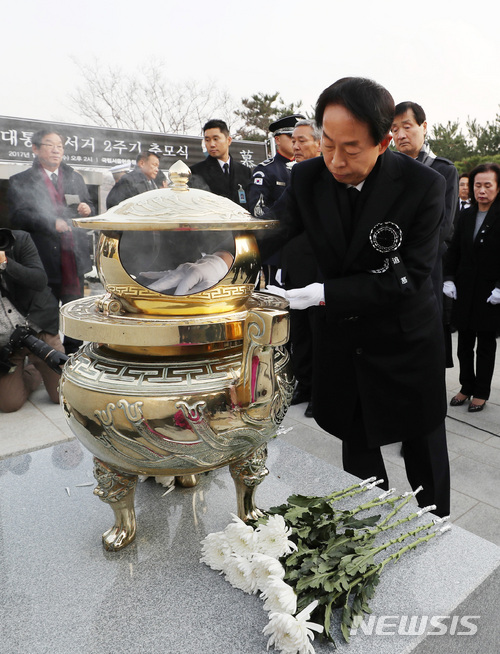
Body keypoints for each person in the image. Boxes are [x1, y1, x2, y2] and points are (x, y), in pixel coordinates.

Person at [263, 77, 450, 517]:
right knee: (357, 444)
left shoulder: (422, 185)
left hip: (405, 338)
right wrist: (219, 256)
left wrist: (325, 293)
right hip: (344, 340)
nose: (335, 160)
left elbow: (410, 277)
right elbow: (272, 229)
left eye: (351, 149)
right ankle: (367, 522)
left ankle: (436, 528)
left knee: (423, 446)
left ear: (383, 142)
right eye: (327, 144)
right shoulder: (309, 176)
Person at [7, 129, 95, 354]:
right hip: (43, 257)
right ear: (35, 149)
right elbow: (17, 216)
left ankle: (74, 353)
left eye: (60, 146)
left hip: (73, 256)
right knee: (45, 313)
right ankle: (49, 358)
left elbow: (87, 203)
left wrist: (88, 208)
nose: (57, 150)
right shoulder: (21, 180)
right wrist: (50, 223)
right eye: (50, 144)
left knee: (75, 309)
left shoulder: (74, 177)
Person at [444, 163, 500, 413]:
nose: (482, 190)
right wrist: (448, 278)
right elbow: (454, 249)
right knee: (464, 344)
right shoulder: (466, 214)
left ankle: (481, 392)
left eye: (488, 185)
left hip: (490, 294)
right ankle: (466, 385)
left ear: (498, 188)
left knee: (485, 345)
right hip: (466, 290)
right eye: (478, 185)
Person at [0, 229, 65, 412]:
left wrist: (5, 263)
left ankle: (37, 367)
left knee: (61, 395)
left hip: (38, 325)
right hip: (8, 341)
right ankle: (29, 371)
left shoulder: (17, 239)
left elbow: (39, 280)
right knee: (9, 404)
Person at [282, 120, 322, 416]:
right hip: (296, 267)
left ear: (320, 143)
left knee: (320, 331)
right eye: (293, 141)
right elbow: (283, 221)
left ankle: (321, 392)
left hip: (322, 271)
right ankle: (304, 384)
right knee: (300, 334)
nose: (295, 146)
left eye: (302, 141)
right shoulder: (296, 175)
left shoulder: (332, 174)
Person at [247, 114, 305, 286]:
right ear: (278, 139)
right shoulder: (267, 170)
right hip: (277, 249)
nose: (296, 143)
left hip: (303, 248)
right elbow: (257, 210)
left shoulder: (305, 168)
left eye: (300, 139)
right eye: (291, 138)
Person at [190, 120, 252, 208]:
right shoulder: (195, 172)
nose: (211, 144)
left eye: (216, 139)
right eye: (207, 140)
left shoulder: (245, 171)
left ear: (228, 140)